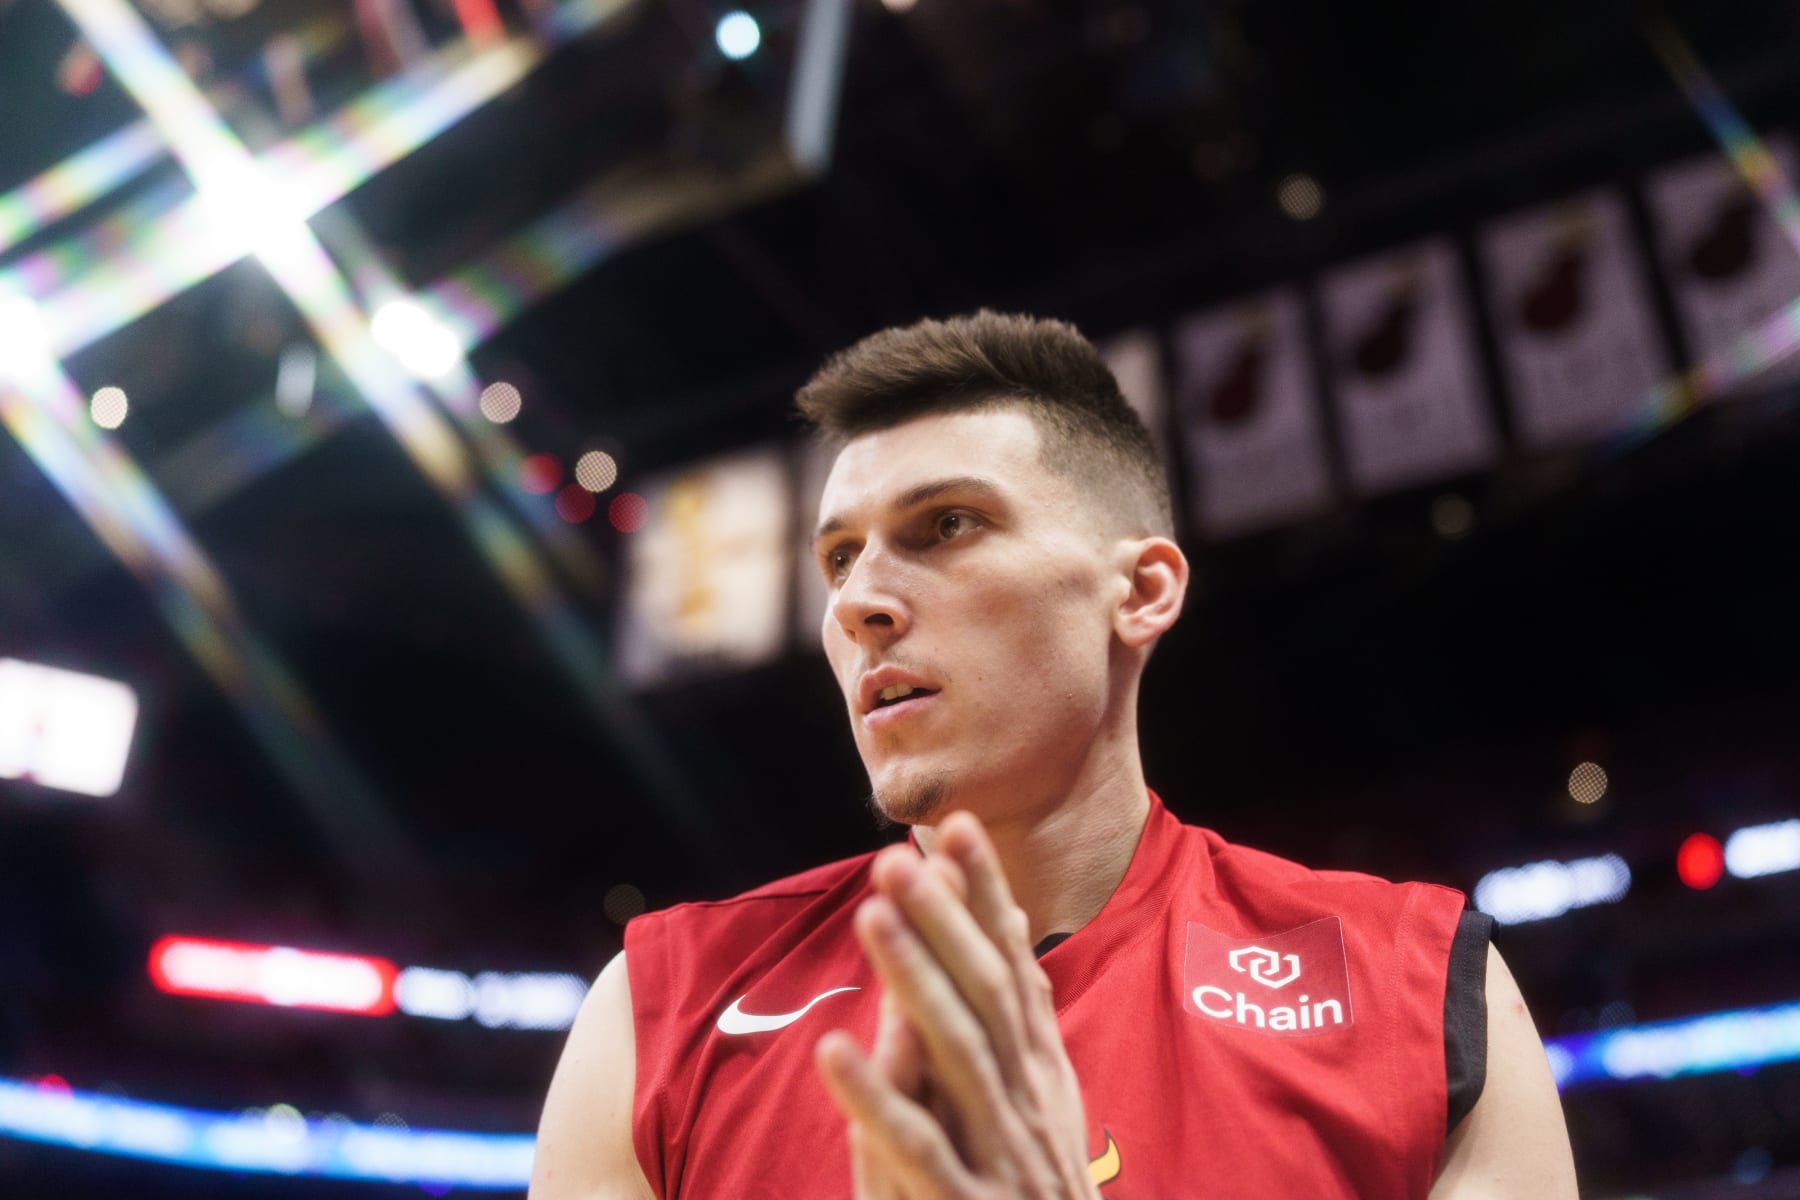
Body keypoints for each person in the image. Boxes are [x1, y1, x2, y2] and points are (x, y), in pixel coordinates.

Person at [530, 312, 1578, 1199]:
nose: (858, 601)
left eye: (946, 524)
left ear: (1142, 591)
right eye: (840, 557)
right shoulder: (661, 1007)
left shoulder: (1418, 988)